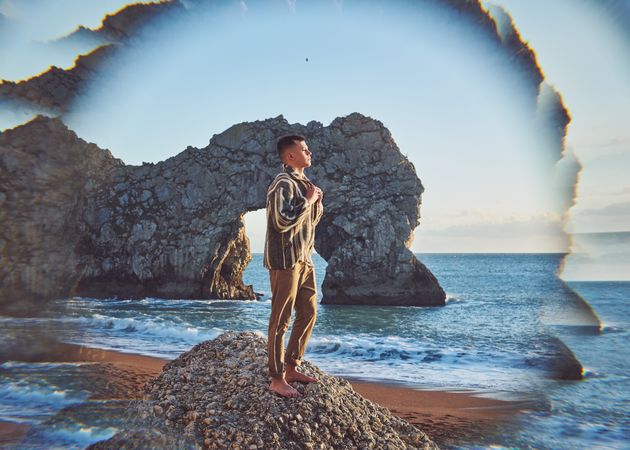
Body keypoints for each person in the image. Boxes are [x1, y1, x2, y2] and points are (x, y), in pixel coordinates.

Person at [263, 134, 324, 398]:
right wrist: (308, 201)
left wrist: (316, 204)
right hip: (285, 261)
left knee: (309, 312)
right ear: (290, 156)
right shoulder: (283, 182)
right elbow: (281, 221)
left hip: (304, 259)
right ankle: (276, 378)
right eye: (304, 149)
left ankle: (292, 366)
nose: (309, 153)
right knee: (281, 320)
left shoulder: (304, 183)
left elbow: (307, 225)